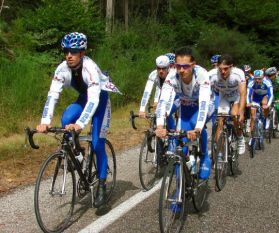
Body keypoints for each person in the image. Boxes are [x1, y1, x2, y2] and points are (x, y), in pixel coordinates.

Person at [36, 32, 120, 208]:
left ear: (82, 53)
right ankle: (78, 155)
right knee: (66, 118)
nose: (69, 55)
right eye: (66, 51)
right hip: (85, 97)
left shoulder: (90, 68)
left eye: (73, 52)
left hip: (100, 99)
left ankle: (102, 185)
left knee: (97, 144)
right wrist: (45, 120)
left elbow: (94, 100)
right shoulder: (62, 69)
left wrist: (80, 124)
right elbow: (52, 95)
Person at [155, 47, 212, 181]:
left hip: (202, 106)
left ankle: (204, 156)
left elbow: (204, 103)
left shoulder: (201, 74)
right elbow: (163, 101)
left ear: (193, 65)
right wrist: (159, 125)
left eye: (185, 66)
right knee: (180, 150)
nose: (181, 70)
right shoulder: (172, 76)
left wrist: (198, 128)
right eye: (178, 66)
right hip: (186, 106)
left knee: (194, 125)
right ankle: (179, 193)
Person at [209, 54, 247, 155]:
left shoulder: (238, 73)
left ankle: (240, 138)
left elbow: (243, 93)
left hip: (236, 95)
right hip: (224, 96)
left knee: (235, 115)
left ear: (231, 66)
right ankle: (220, 155)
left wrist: (241, 112)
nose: (223, 72)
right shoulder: (212, 74)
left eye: (226, 69)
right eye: (220, 69)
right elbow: (204, 92)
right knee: (220, 120)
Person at [138, 54, 177, 130]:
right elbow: (147, 92)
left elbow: (172, 95)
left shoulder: (173, 75)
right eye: (159, 68)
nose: (161, 71)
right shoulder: (153, 74)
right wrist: (142, 109)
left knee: (166, 114)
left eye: (163, 68)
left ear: (168, 67)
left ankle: (173, 139)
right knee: (158, 113)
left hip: (176, 97)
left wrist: (166, 110)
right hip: (165, 95)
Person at [247, 70, 273, 144]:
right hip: (256, 98)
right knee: (253, 116)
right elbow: (248, 94)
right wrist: (248, 102)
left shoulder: (267, 82)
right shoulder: (251, 82)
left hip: (265, 97)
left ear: (263, 77)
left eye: (259, 78)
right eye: (256, 78)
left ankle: (266, 118)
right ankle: (252, 136)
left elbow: (271, 95)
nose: (257, 80)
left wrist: (268, 104)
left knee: (264, 103)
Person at [265, 67, 279, 131]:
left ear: (274, 74)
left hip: (278, 95)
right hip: (270, 94)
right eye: (268, 75)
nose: (269, 77)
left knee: (278, 107)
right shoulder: (266, 80)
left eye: (270, 75)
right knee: (266, 107)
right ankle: (267, 122)